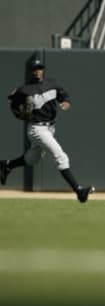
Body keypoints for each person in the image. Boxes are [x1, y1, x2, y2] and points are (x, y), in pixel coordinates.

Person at [0, 59, 94, 203]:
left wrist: (66, 102)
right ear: (31, 71)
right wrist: (21, 115)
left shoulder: (52, 84)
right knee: (60, 156)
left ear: (43, 69)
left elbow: (64, 95)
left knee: (32, 159)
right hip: (36, 128)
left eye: (40, 68)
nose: (37, 71)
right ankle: (79, 191)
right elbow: (13, 103)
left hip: (50, 128)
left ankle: (6, 165)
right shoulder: (24, 90)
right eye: (35, 68)